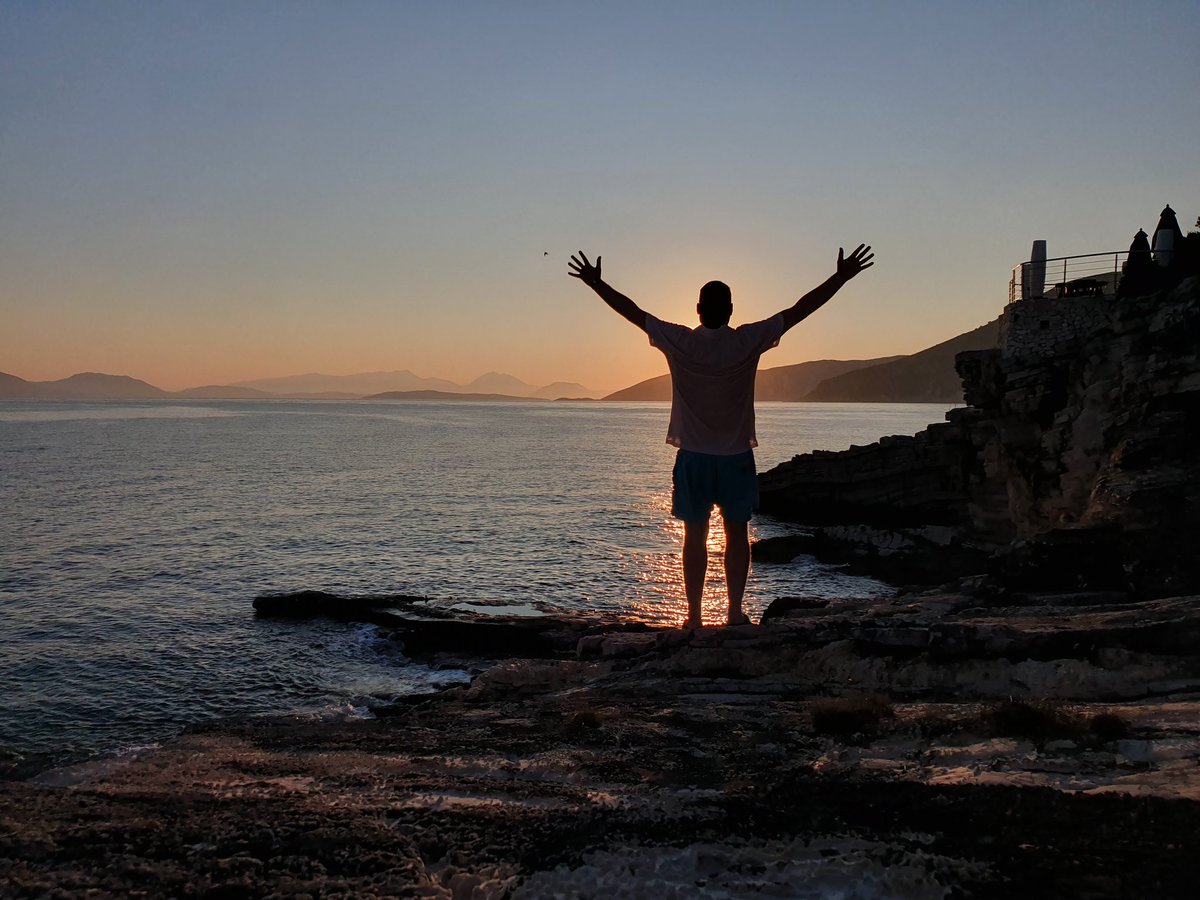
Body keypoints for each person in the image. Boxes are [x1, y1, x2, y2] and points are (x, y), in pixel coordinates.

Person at [568, 244, 874, 627]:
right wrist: (840, 278)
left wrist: (597, 284)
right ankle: (732, 613)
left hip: (693, 456)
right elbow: (799, 311)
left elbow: (634, 313)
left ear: (697, 309)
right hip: (735, 457)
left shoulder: (681, 341)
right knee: (736, 536)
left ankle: (694, 617)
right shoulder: (747, 340)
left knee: (694, 538)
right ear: (730, 311)